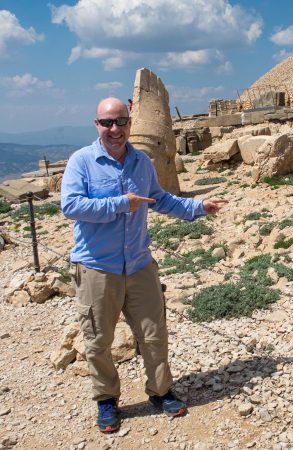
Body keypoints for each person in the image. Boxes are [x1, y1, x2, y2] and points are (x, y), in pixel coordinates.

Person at [61, 97, 227, 433]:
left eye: (121, 121)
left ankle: (161, 391)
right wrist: (122, 204)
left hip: (138, 265)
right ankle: (107, 400)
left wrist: (198, 207)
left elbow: (160, 199)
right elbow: (71, 206)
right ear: (96, 125)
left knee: (154, 335)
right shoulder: (81, 161)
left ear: (130, 123)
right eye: (107, 122)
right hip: (96, 268)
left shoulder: (142, 162)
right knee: (98, 340)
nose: (114, 129)